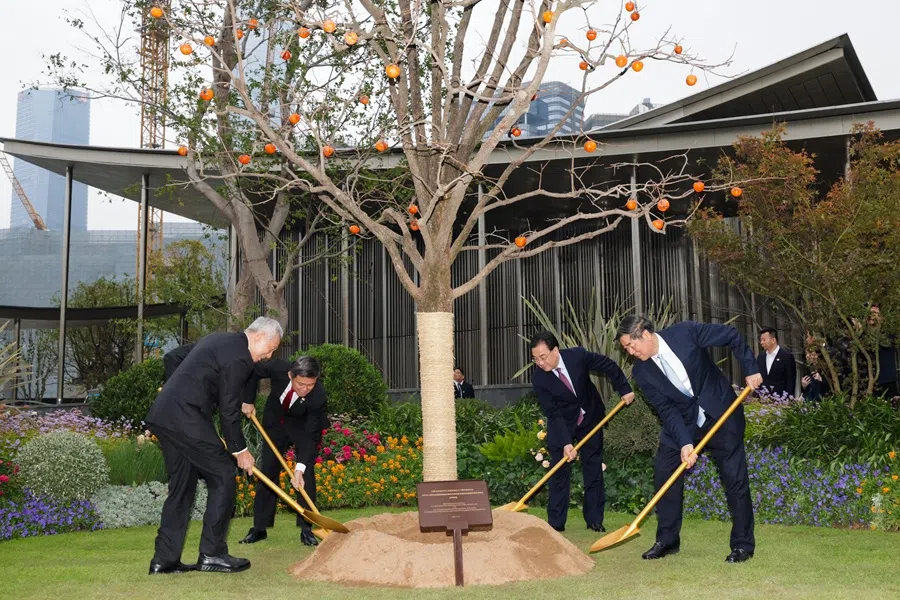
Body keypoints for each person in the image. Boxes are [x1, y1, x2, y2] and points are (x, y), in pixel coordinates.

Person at [144, 317, 283, 575]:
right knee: (224, 474)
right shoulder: (240, 357)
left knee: (182, 485)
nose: (269, 355)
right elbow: (229, 409)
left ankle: (164, 560)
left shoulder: (219, 339)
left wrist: (182, 391)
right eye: (271, 348)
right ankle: (213, 553)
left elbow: (173, 358)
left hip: (166, 415)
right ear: (259, 336)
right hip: (185, 418)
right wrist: (240, 451)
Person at [617, 316, 761, 563]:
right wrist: (685, 443)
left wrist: (751, 368)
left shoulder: (686, 333)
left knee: (735, 479)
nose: (630, 352)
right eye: (626, 349)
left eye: (631, 345)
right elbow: (666, 410)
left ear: (646, 334)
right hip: (684, 422)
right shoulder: (641, 372)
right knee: (665, 473)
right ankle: (667, 540)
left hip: (721, 412)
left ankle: (742, 545)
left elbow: (731, 336)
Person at [529, 331, 634, 533]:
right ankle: (556, 523)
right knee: (559, 472)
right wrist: (566, 442)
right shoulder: (539, 379)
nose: (540, 363)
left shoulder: (577, 356)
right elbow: (552, 412)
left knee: (593, 468)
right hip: (562, 424)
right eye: (535, 359)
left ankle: (594, 520)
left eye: (543, 357)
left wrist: (625, 389)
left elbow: (608, 365)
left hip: (590, 418)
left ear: (555, 350)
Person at [239, 356, 328, 547]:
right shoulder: (278, 367)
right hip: (275, 423)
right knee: (268, 470)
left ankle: (307, 529)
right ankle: (260, 527)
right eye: (300, 384)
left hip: (302, 427)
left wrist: (299, 469)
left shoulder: (318, 397)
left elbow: (311, 436)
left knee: (306, 474)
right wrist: (248, 400)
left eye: (310, 385)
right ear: (290, 375)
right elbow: (253, 371)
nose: (305, 390)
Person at [756, 327, 796, 398]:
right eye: (761, 340)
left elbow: (790, 381)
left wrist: (788, 399)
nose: (761, 342)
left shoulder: (786, 356)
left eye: (764, 340)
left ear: (773, 340)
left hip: (780, 399)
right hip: (762, 399)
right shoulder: (761, 357)